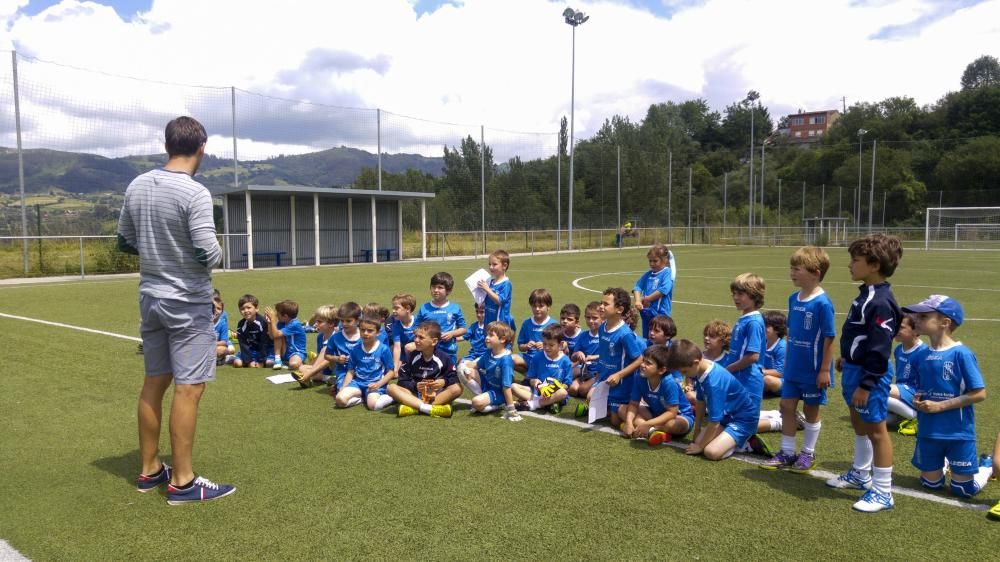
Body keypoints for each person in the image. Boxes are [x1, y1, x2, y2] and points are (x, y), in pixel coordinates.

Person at [118, 116, 235, 504]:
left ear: (168, 145)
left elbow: (125, 241)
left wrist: (158, 255)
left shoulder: (137, 185)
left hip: (150, 297)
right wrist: (213, 254)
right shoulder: (195, 193)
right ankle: (183, 482)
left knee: (155, 381)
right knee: (189, 388)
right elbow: (207, 251)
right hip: (186, 301)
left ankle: (150, 468)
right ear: (201, 147)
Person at [826, 233, 903, 513]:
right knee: (859, 423)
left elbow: (880, 349)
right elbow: (860, 336)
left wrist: (867, 384)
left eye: (855, 260)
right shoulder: (866, 294)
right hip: (855, 369)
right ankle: (861, 473)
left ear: (873, 265)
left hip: (869, 375)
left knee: (877, 431)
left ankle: (883, 491)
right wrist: (847, 358)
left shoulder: (881, 301)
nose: (849, 265)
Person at [902, 295, 992, 499]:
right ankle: (942, 463)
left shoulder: (961, 354)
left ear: (945, 323)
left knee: (962, 491)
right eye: (917, 315)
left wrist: (940, 406)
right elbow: (916, 386)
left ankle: (986, 467)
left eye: (924, 316)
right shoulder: (920, 355)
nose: (916, 318)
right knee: (930, 484)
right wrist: (915, 401)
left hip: (957, 433)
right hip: (928, 431)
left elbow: (979, 393)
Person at [761, 245, 836, 473]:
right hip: (794, 367)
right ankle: (787, 452)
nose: (792, 272)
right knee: (786, 406)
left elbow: (829, 337)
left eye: (797, 268)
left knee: (811, 411)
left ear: (815, 272)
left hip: (813, 369)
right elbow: (793, 334)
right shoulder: (794, 298)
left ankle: (807, 454)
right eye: (791, 268)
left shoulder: (823, 303)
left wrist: (824, 370)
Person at [669, 339, 758, 461]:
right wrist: (697, 429)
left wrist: (700, 446)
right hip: (726, 417)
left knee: (711, 452)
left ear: (695, 362)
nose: (685, 375)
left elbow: (714, 422)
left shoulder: (713, 383)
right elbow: (700, 400)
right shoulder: (701, 369)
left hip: (742, 420)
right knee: (699, 439)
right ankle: (728, 439)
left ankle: (746, 443)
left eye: (685, 371)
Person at [584, 288, 646, 426]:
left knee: (615, 420)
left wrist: (619, 375)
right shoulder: (602, 327)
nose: (601, 306)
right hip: (605, 379)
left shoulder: (625, 334)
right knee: (589, 396)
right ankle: (607, 409)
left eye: (606, 304)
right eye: (601, 302)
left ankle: (643, 418)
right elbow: (605, 353)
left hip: (621, 384)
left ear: (619, 309)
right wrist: (599, 373)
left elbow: (639, 360)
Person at [621, 344, 694, 445]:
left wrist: (647, 423)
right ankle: (652, 432)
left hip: (679, 416)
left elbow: (672, 413)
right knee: (622, 409)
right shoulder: (639, 377)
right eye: (643, 360)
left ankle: (647, 429)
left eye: (648, 363)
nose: (642, 365)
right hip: (655, 413)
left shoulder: (669, 383)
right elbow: (633, 404)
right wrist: (628, 422)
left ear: (661, 370)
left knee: (671, 425)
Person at [389, 321, 461, 418]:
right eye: (416, 336)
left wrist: (444, 382)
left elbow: (454, 377)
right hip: (414, 393)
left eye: (421, 337)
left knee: (457, 388)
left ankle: (414, 408)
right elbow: (402, 381)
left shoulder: (444, 358)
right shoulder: (411, 356)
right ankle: (430, 409)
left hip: (435, 395)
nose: (416, 340)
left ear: (434, 341)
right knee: (391, 388)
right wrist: (415, 386)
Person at [334, 315, 396, 411]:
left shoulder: (383, 349)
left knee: (373, 406)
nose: (365, 333)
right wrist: (344, 387)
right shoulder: (356, 349)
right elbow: (351, 371)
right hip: (358, 383)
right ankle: (361, 399)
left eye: (370, 331)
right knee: (340, 399)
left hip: (375, 384)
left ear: (378, 332)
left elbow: (391, 372)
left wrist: (378, 384)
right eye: (362, 330)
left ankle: (392, 397)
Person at [465, 321, 521, 422]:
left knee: (476, 402)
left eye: (491, 335)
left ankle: (499, 404)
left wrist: (511, 408)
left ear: (502, 339)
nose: (486, 337)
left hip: (498, 392)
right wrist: (463, 365)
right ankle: (485, 399)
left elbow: (506, 386)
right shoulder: (489, 352)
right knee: (466, 371)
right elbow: (476, 366)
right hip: (487, 385)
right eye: (487, 334)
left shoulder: (506, 360)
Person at [511, 324, 573, 414]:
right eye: (544, 344)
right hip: (538, 392)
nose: (547, 347)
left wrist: (554, 389)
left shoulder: (565, 360)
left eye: (551, 345)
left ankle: (533, 404)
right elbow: (531, 378)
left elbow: (567, 383)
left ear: (561, 344)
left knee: (563, 393)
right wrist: (536, 383)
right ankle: (547, 403)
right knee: (513, 387)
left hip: (555, 394)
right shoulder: (537, 357)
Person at [412, 272, 467, 365]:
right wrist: (425, 336)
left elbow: (463, 329)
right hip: (427, 351)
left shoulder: (455, 308)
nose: (436, 290)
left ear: (448, 291)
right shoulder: (424, 308)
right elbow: (415, 328)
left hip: (448, 350)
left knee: (448, 377)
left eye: (440, 288)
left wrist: (452, 334)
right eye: (433, 287)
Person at [889, 314, 927, 436]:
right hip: (901, 389)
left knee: (877, 391)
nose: (896, 330)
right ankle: (901, 417)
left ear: (916, 331)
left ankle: (919, 418)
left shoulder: (924, 352)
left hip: (915, 393)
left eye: (901, 327)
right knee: (871, 416)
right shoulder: (898, 349)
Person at [633, 244, 676, 339]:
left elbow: (664, 289)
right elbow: (637, 287)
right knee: (647, 337)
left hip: (660, 313)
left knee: (660, 339)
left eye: (655, 261)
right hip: (647, 312)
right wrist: (638, 301)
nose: (652, 264)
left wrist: (647, 299)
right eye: (650, 261)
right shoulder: (648, 275)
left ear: (664, 260)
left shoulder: (667, 272)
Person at [293, 304, 338, 387]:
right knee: (301, 368)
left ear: (331, 324)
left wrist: (310, 373)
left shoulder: (336, 338)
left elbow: (327, 361)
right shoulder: (320, 336)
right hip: (325, 370)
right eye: (316, 321)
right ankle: (328, 378)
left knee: (325, 350)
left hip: (336, 368)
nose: (316, 324)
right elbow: (319, 358)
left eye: (319, 322)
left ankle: (330, 378)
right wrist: (311, 366)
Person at [515, 288, 557, 372]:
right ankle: (511, 382)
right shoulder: (526, 323)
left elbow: (558, 348)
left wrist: (545, 346)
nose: (537, 309)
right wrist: (526, 346)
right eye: (534, 306)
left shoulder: (554, 324)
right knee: (509, 359)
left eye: (541, 306)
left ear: (548, 307)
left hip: (546, 360)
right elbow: (520, 347)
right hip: (529, 358)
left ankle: (531, 377)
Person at [324, 301, 363, 390]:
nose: (344, 323)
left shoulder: (365, 335)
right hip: (344, 372)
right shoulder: (335, 337)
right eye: (342, 321)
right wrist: (337, 359)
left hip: (364, 372)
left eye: (348, 321)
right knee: (344, 391)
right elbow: (327, 356)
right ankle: (339, 385)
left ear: (357, 320)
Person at [569, 301, 602, 401]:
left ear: (603, 318)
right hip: (585, 371)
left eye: (595, 318)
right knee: (573, 390)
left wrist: (594, 357)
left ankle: (593, 388)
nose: (591, 321)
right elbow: (573, 357)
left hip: (598, 373)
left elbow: (609, 355)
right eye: (588, 317)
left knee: (582, 390)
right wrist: (578, 354)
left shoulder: (605, 335)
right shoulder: (583, 335)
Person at [264, 299, 307, 371]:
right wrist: (269, 323)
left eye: (278, 313)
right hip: (285, 351)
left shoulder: (295, 324)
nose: (276, 315)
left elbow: (275, 334)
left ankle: (289, 362)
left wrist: (273, 320)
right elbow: (272, 337)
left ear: (285, 316)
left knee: (294, 364)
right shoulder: (281, 323)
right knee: (268, 363)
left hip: (296, 352)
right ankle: (278, 359)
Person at [478, 249, 514, 329]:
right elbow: (486, 300)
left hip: (499, 324)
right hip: (488, 322)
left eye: (494, 264)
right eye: (489, 264)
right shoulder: (490, 282)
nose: (491, 267)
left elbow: (500, 301)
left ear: (504, 266)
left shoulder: (506, 284)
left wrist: (487, 289)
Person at [232, 293, 271, 368]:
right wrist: (249, 361)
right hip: (250, 351)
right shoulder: (241, 324)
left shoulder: (262, 322)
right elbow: (243, 344)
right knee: (237, 363)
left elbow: (264, 342)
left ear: (256, 309)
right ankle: (232, 358)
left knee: (269, 363)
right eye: (242, 309)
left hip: (263, 351)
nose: (246, 311)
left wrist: (261, 361)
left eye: (249, 308)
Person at [390, 293, 417, 370]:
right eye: (393, 308)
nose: (393, 311)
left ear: (408, 309)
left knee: (409, 347)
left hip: (418, 350)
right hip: (404, 354)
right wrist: (395, 367)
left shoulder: (418, 321)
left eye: (396, 308)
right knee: (394, 372)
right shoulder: (396, 326)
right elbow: (397, 347)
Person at [762, 310, 787, 395]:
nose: (762, 328)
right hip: (764, 373)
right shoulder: (762, 342)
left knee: (768, 380)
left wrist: (761, 371)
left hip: (782, 381)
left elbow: (780, 372)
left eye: (766, 326)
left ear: (777, 329)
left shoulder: (782, 347)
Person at [212, 292, 235, 365]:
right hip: (202, 348)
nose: (215, 310)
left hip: (214, 346)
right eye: (213, 307)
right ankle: (220, 360)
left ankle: (219, 359)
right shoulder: (202, 321)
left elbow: (224, 342)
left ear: (222, 312)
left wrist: (211, 344)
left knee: (223, 350)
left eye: (219, 309)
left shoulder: (222, 323)